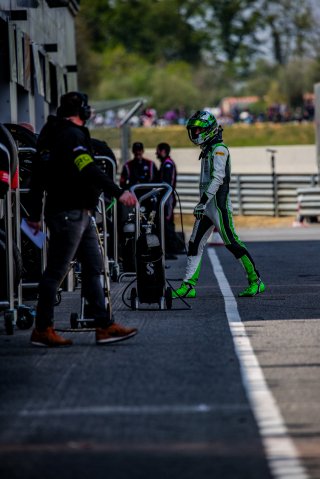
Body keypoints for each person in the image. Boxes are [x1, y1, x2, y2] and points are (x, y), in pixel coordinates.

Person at [27, 91, 138, 347]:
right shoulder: (71, 136)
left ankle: (103, 325)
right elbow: (87, 168)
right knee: (56, 271)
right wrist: (119, 192)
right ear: (80, 111)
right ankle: (42, 328)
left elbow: (37, 177)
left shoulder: (51, 132)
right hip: (70, 212)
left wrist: (33, 213)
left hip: (79, 213)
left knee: (94, 266)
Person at [172, 110, 265, 299]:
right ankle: (189, 285)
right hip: (206, 207)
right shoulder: (208, 149)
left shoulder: (220, 149)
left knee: (232, 243)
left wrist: (203, 201)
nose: (195, 134)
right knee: (194, 244)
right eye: (194, 131)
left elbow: (218, 178)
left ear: (208, 130)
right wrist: (203, 204)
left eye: (198, 130)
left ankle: (256, 281)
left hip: (218, 206)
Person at [156, 142, 179, 259]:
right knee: (163, 222)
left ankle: (171, 250)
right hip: (165, 196)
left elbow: (167, 183)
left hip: (168, 197)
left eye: (158, 151)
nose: (156, 153)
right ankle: (168, 249)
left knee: (167, 223)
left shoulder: (168, 164)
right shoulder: (165, 163)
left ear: (163, 151)